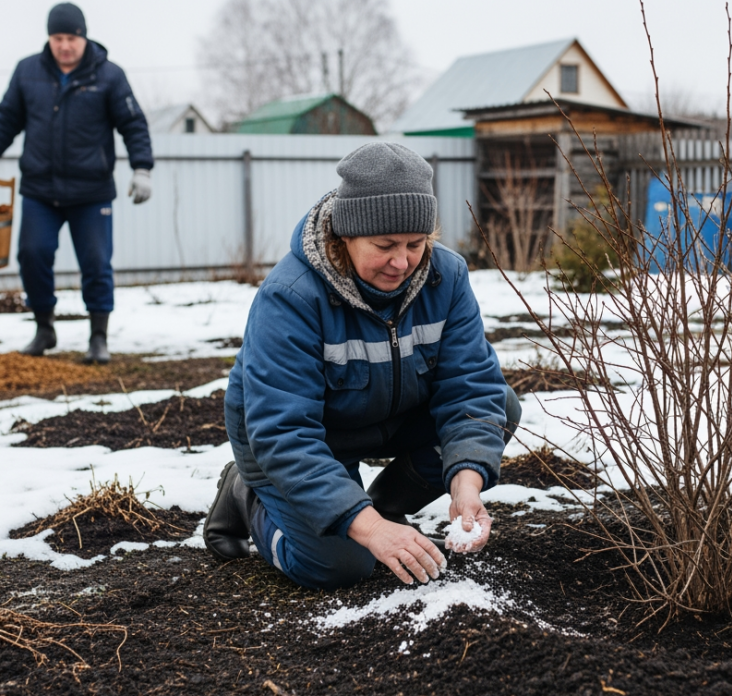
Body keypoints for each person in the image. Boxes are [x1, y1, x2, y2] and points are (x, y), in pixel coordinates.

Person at [203, 142, 521, 589]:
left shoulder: (446, 277)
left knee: (502, 406)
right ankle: (246, 497)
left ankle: (385, 506)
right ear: (345, 235)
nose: (402, 262)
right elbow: (283, 431)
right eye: (385, 245)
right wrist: (366, 529)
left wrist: (466, 484)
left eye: (416, 244)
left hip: (392, 416)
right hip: (295, 440)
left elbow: (471, 388)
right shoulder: (291, 296)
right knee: (340, 566)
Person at [0, 2, 153, 363]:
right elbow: (7, 120)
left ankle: (98, 337)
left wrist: (142, 168)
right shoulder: (27, 72)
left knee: (96, 263)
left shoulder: (109, 75)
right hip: (40, 189)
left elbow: (133, 124)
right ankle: (44, 329)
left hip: (91, 190)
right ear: (49, 39)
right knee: (32, 255)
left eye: (71, 38)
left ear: (83, 37)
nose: (64, 45)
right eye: (57, 38)